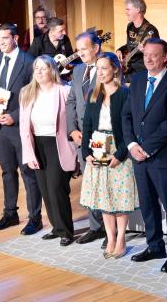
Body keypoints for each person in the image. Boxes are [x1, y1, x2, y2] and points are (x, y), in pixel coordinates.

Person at [122, 38, 167, 273]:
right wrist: (130, 144)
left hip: (163, 158)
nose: (148, 59)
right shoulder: (137, 80)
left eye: (154, 55)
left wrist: (146, 147)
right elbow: (126, 115)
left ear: (166, 57)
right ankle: (155, 245)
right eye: (146, 55)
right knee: (148, 205)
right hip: (138, 156)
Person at [79, 52, 138, 259]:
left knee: (119, 197)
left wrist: (120, 154)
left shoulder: (124, 94)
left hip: (118, 152)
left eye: (104, 68)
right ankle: (110, 237)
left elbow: (128, 127)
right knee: (104, 198)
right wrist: (85, 152)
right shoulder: (93, 95)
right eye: (98, 68)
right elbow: (86, 126)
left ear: (115, 69)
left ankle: (121, 238)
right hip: (97, 151)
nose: (101, 72)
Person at [0, 23, 42, 235]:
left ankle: (34, 218)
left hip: (19, 125)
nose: (1, 42)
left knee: (28, 173)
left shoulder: (28, 62)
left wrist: (15, 116)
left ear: (15, 38)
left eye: (5, 38)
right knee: (7, 172)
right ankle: (10, 213)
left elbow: (34, 94)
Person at [19, 55, 77, 246]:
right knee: (44, 189)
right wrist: (28, 153)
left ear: (52, 70)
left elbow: (72, 121)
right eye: (36, 68)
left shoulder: (65, 91)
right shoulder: (26, 93)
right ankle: (57, 227)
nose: (39, 72)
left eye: (44, 68)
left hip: (57, 144)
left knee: (56, 188)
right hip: (37, 144)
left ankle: (66, 231)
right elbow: (23, 128)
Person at [65, 32, 107, 246]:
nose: (79, 53)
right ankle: (95, 226)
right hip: (81, 137)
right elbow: (71, 101)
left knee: (104, 182)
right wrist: (72, 130)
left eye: (84, 48)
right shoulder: (79, 70)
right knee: (89, 183)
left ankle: (111, 230)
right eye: (78, 49)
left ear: (96, 48)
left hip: (101, 135)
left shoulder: (106, 67)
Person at [115, 0, 159, 77]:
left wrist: (145, 51)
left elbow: (157, 53)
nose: (126, 12)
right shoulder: (130, 26)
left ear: (138, 9)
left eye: (128, 9)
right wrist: (120, 50)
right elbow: (129, 46)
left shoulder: (150, 30)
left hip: (143, 71)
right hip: (129, 71)